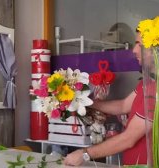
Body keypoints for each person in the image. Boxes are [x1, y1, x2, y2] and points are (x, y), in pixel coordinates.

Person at [64, 32, 151, 166]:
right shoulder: (147, 84)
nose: (134, 50)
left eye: (139, 44)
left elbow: (128, 139)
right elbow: (123, 106)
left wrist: (85, 154)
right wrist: (84, 102)